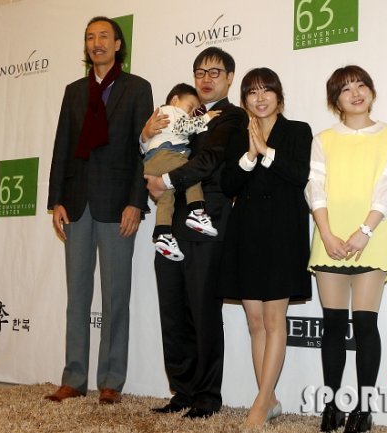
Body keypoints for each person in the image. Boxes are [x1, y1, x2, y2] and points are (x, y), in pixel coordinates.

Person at [45, 16, 153, 404]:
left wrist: (136, 202)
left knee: (115, 295)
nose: (97, 43)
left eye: (104, 36)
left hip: (117, 205)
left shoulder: (137, 88)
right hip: (76, 203)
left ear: (118, 44)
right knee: (77, 296)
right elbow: (61, 146)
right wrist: (56, 200)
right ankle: (74, 378)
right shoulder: (74, 91)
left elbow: (144, 150)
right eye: (90, 37)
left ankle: (111, 379)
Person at [142, 47, 247, 418]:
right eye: (200, 72)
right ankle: (182, 390)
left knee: (203, 309)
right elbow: (153, 151)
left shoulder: (232, 116)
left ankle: (206, 395)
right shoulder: (181, 115)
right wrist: (145, 137)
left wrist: (166, 180)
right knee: (172, 307)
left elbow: (210, 160)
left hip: (208, 219)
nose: (206, 78)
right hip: (171, 221)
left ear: (229, 78)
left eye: (215, 72)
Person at [305, 65, 387, 433]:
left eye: (361, 85)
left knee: (364, 324)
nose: (356, 93)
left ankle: (363, 411)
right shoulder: (324, 139)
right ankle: (330, 407)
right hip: (329, 238)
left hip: (372, 238)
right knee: (332, 324)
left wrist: (364, 231)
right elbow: (315, 187)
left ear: (371, 91)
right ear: (336, 100)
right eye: (346, 89)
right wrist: (327, 234)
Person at [220, 67, 312, 427]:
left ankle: (259, 404)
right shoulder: (237, 135)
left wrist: (266, 151)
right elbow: (228, 185)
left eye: (266, 91)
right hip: (246, 232)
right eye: (252, 92)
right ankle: (269, 398)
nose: (260, 98)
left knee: (274, 320)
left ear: (279, 96)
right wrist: (248, 155)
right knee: (255, 322)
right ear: (244, 100)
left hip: (283, 232)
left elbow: (300, 175)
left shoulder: (298, 131)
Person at [140, 83, 221, 261]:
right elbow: (185, 127)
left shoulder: (160, 118)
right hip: (166, 154)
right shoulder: (170, 111)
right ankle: (197, 212)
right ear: (175, 100)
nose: (190, 113)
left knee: (166, 198)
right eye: (190, 107)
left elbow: (146, 143)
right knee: (190, 172)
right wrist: (205, 118)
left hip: (153, 162)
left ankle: (163, 234)